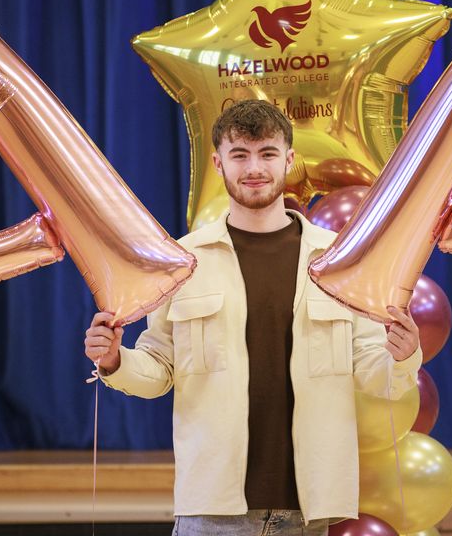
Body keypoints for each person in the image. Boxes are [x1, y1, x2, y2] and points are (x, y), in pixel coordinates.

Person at [85, 100, 422, 536]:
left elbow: (377, 375)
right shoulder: (183, 260)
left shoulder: (338, 261)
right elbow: (160, 368)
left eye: (266, 153)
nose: (254, 168)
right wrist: (115, 360)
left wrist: (402, 355)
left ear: (289, 160)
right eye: (239, 155)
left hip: (307, 511)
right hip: (211, 510)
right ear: (218, 163)